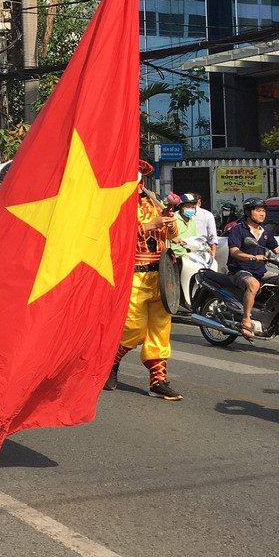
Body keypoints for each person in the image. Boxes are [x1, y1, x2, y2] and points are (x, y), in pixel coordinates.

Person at [105, 161, 183, 400]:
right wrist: (150, 224)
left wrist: (169, 215)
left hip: (160, 273)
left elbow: (172, 234)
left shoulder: (154, 201)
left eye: (140, 179)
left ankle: (157, 381)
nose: (140, 184)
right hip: (133, 273)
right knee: (133, 328)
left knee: (161, 329)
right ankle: (111, 363)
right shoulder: (116, 203)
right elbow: (114, 233)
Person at [226, 197, 279, 338]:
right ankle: (246, 318)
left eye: (263, 211)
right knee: (253, 284)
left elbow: (278, 249)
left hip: (260, 271)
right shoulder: (237, 230)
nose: (262, 214)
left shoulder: (266, 232)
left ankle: (268, 313)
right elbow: (234, 252)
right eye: (258, 211)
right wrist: (253, 257)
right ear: (248, 212)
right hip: (239, 270)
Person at [169, 192, 200, 258]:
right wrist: (174, 239)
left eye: (193, 207)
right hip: (176, 256)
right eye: (188, 207)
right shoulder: (173, 219)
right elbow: (166, 236)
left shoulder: (192, 222)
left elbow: (195, 238)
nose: (191, 209)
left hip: (191, 256)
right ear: (181, 207)